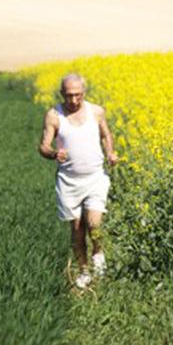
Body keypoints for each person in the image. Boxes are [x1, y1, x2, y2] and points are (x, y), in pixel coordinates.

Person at [38, 73, 119, 289]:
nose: (73, 100)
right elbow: (43, 146)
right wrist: (54, 154)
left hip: (95, 177)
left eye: (77, 95)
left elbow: (105, 134)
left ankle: (99, 253)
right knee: (77, 229)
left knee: (94, 223)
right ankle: (84, 271)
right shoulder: (54, 115)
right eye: (69, 96)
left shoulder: (96, 111)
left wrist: (110, 153)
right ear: (61, 94)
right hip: (69, 181)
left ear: (84, 93)